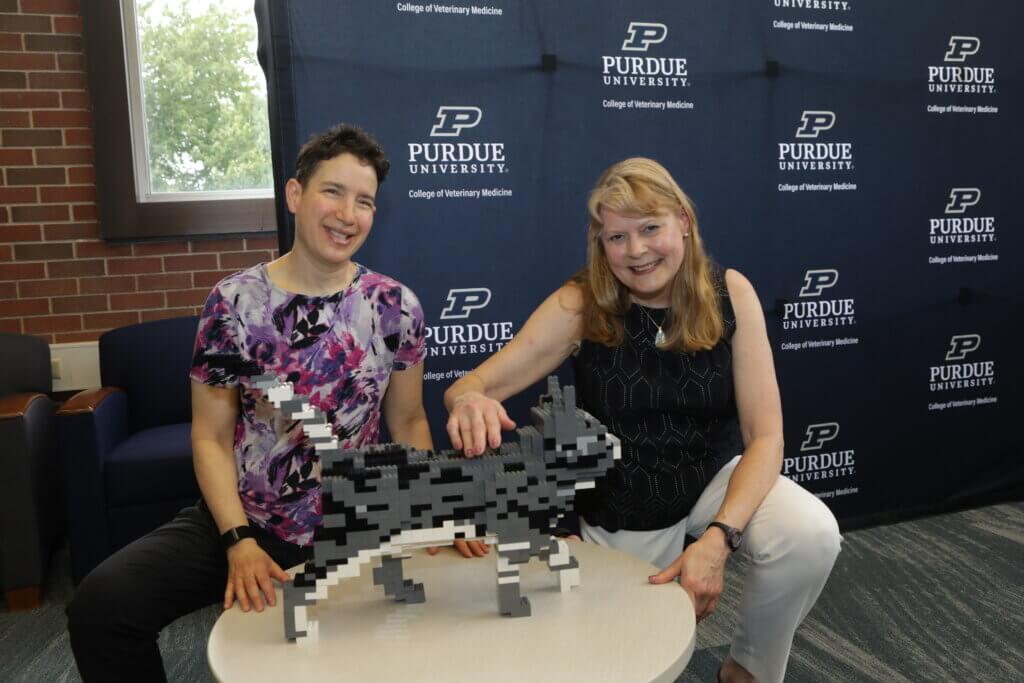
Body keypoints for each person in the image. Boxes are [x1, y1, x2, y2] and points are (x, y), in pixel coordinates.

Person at [444, 157, 841, 683]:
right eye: (616, 237)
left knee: (810, 535)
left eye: (650, 228)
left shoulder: (731, 293)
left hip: (709, 480)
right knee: (633, 665)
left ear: (684, 220)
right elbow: (467, 387)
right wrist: (470, 402)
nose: (636, 251)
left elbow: (766, 437)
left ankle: (748, 670)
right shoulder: (581, 302)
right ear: (600, 243)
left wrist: (719, 539)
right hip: (623, 503)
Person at [66, 124, 433, 681]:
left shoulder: (394, 305)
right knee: (102, 606)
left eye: (365, 202)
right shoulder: (234, 303)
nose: (347, 214)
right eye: (332, 192)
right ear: (295, 195)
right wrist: (236, 540)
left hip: (360, 522)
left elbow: (407, 422)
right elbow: (210, 437)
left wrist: (428, 512)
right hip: (249, 519)